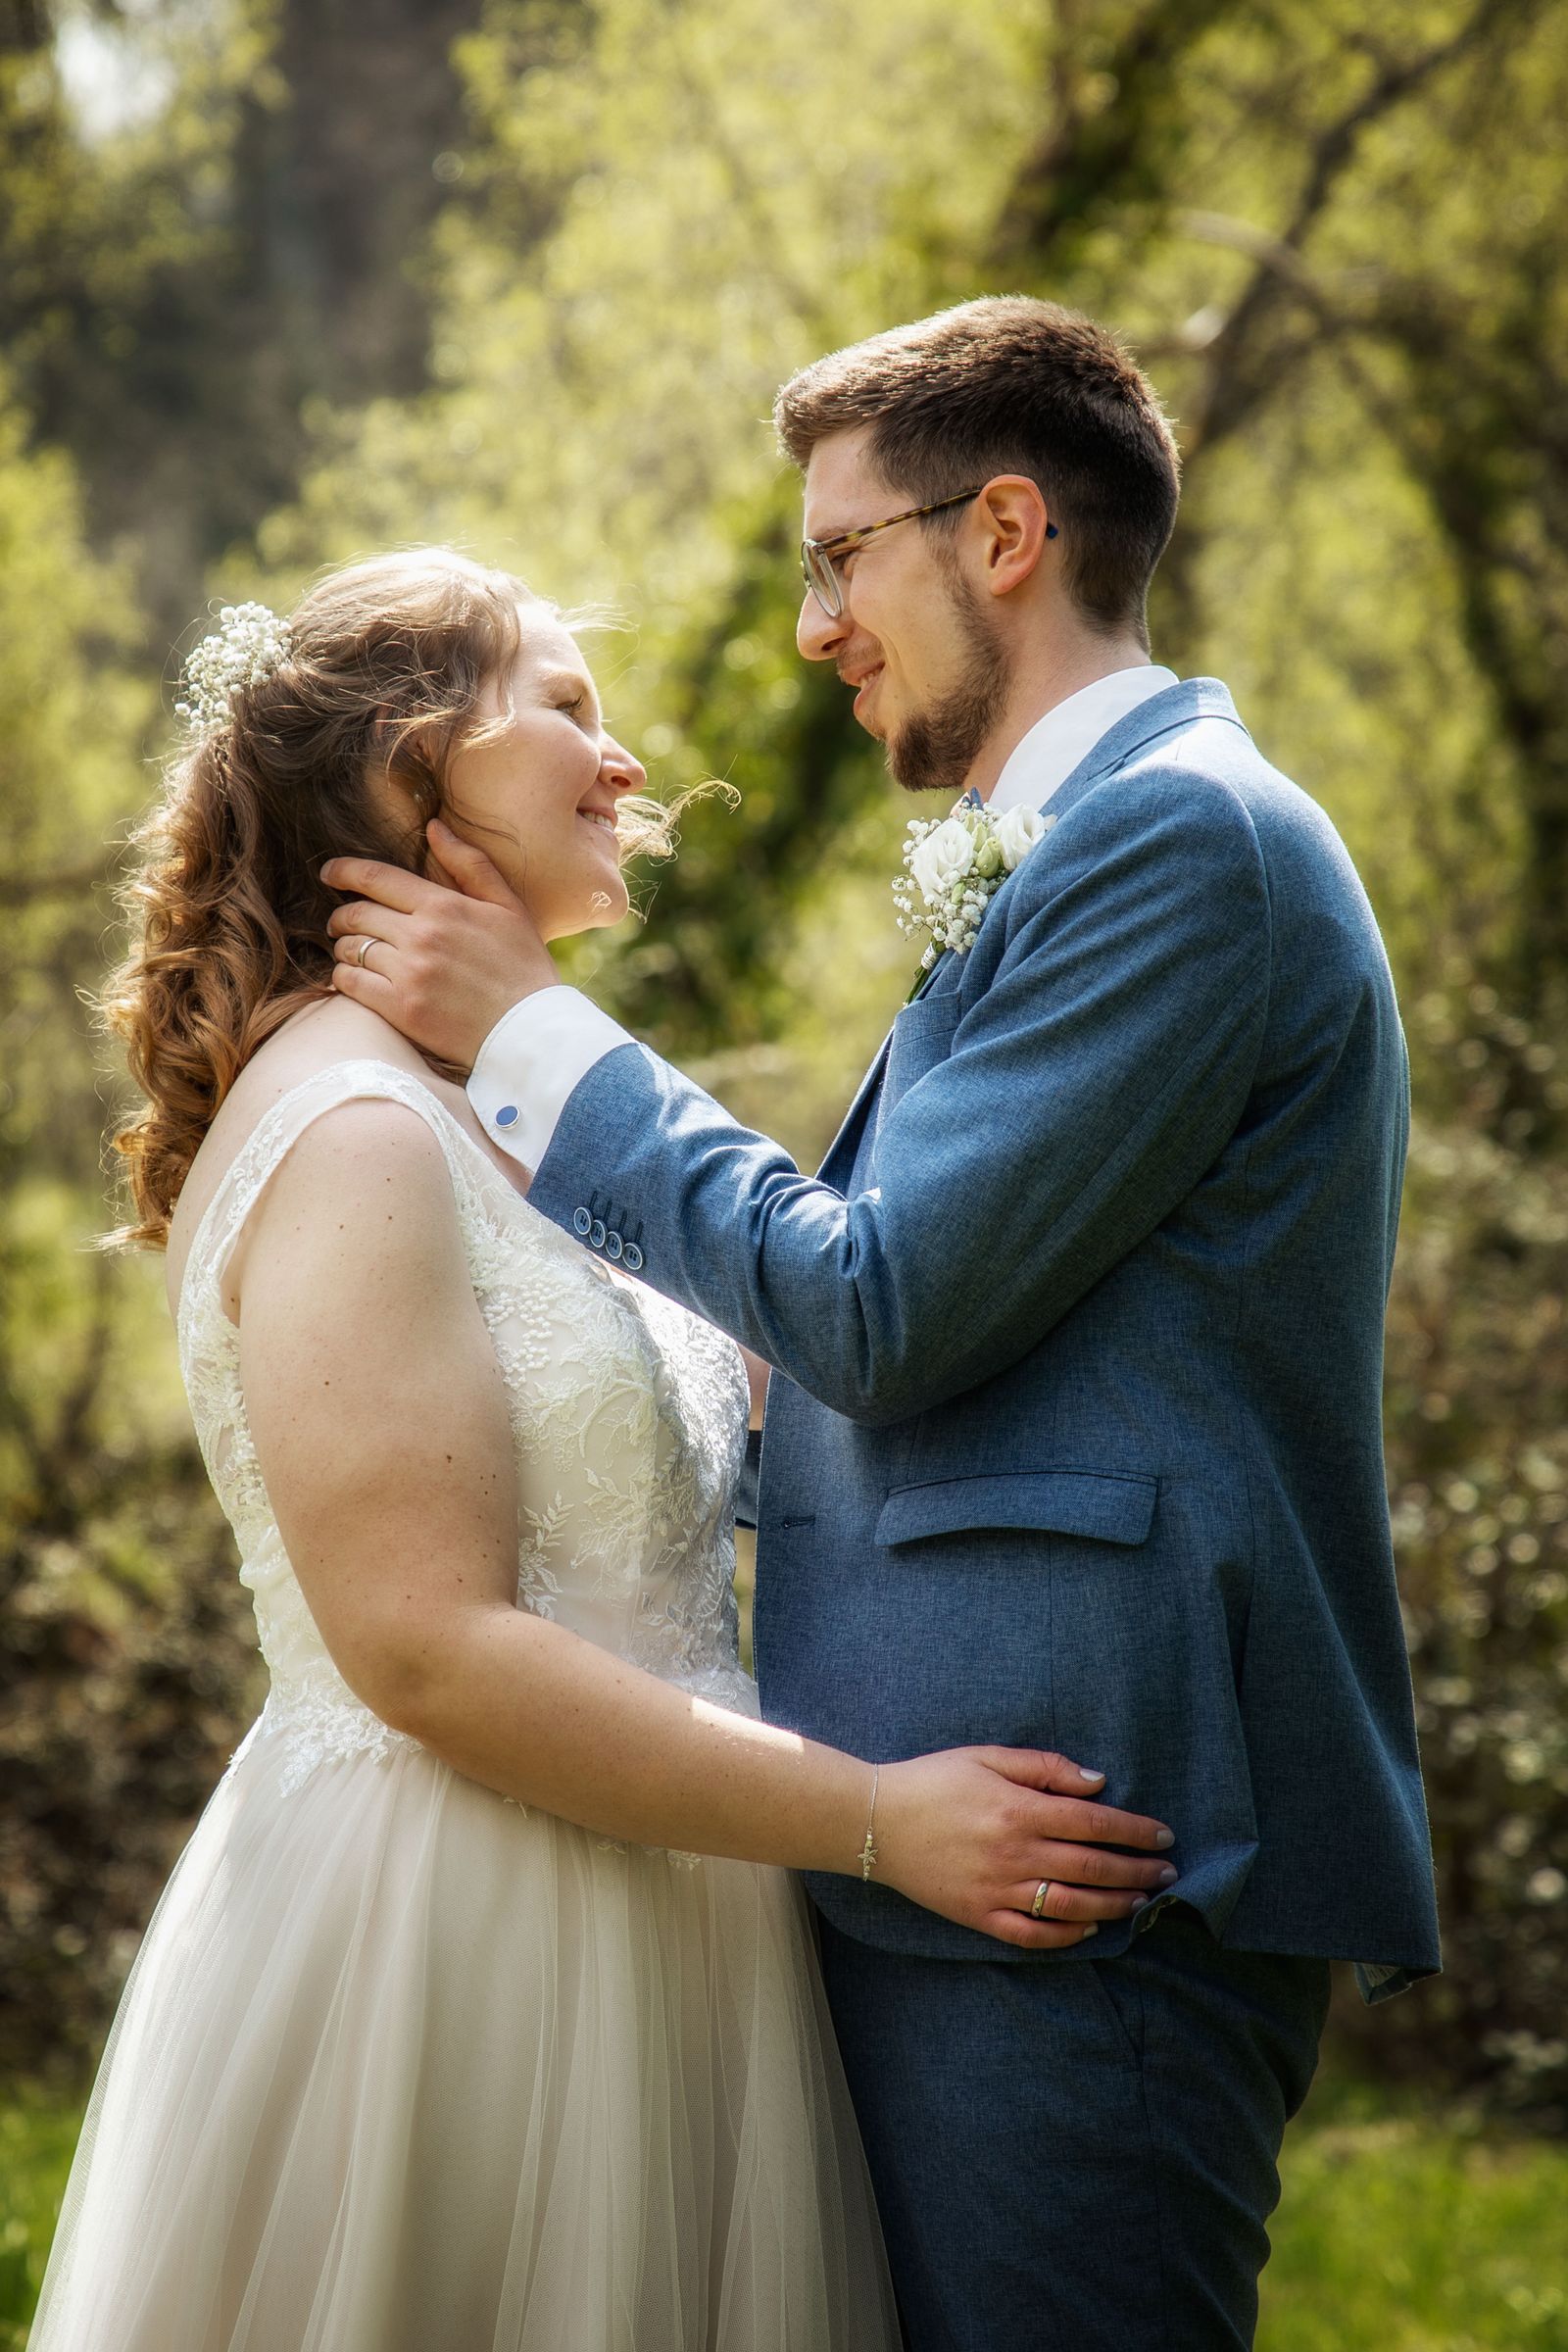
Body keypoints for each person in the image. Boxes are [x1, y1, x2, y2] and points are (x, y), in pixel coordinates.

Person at [325, 301, 1444, 2350]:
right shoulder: (1085, 847)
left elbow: (888, 1301)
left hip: (1077, 1848)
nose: (814, 626)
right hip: (962, 1846)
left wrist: (540, 1044)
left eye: (842, 556)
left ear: (999, 529)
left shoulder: (1180, 841)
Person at [29, 548, 1177, 2352]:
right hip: (464, 1943)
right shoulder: (352, 1129)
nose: (628, 759)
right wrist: (881, 1822)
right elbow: (423, 1647)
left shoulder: (501, 1109)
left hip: (672, 1918)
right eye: (567, 707)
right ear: (417, 776)